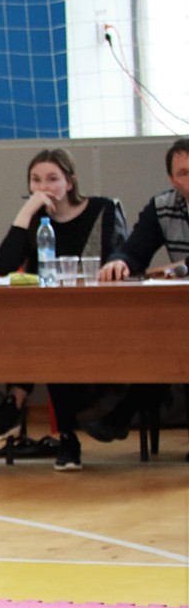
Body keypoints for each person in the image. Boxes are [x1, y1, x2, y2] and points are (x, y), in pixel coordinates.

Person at [0, 147, 128, 470]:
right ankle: (62, 436)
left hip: (97, 313)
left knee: (50, 336)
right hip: (49, 319)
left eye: (52, 179)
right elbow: (3, 265)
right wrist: (26, 211)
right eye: (35, 180)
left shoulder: (102, 210)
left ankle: (16, 402)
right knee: (47, 334)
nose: (43, 187)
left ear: (70, 182)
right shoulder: (36, 220)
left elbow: (118, 258)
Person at [79, 138, 189, 445]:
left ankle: (121, 415)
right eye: (183, 173)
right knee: (156, 339)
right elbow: (135, 249)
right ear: (172, 180)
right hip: (182, 309)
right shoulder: (163, 207)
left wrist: (180, 267)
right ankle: (121, 414)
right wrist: (120, 262)